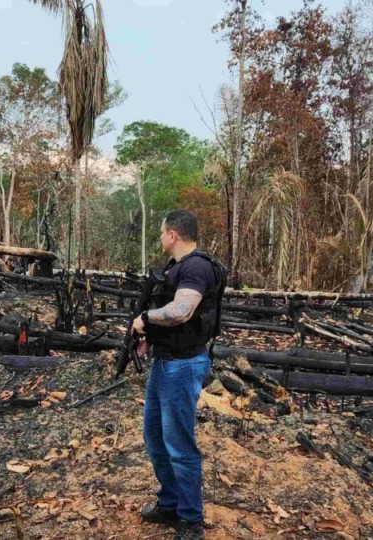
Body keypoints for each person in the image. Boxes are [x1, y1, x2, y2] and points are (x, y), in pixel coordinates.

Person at [131, 209, 226, 540]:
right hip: (165, 363)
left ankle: (190, 519)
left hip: (183, 367)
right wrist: (149, 341)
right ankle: (170, 503)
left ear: (173, 235)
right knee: (155, 439)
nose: (159, 239)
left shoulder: (196, 267)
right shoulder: (176, 268)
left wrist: (145, 317)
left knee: (179, 445)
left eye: (160, 234)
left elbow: (182, 310)